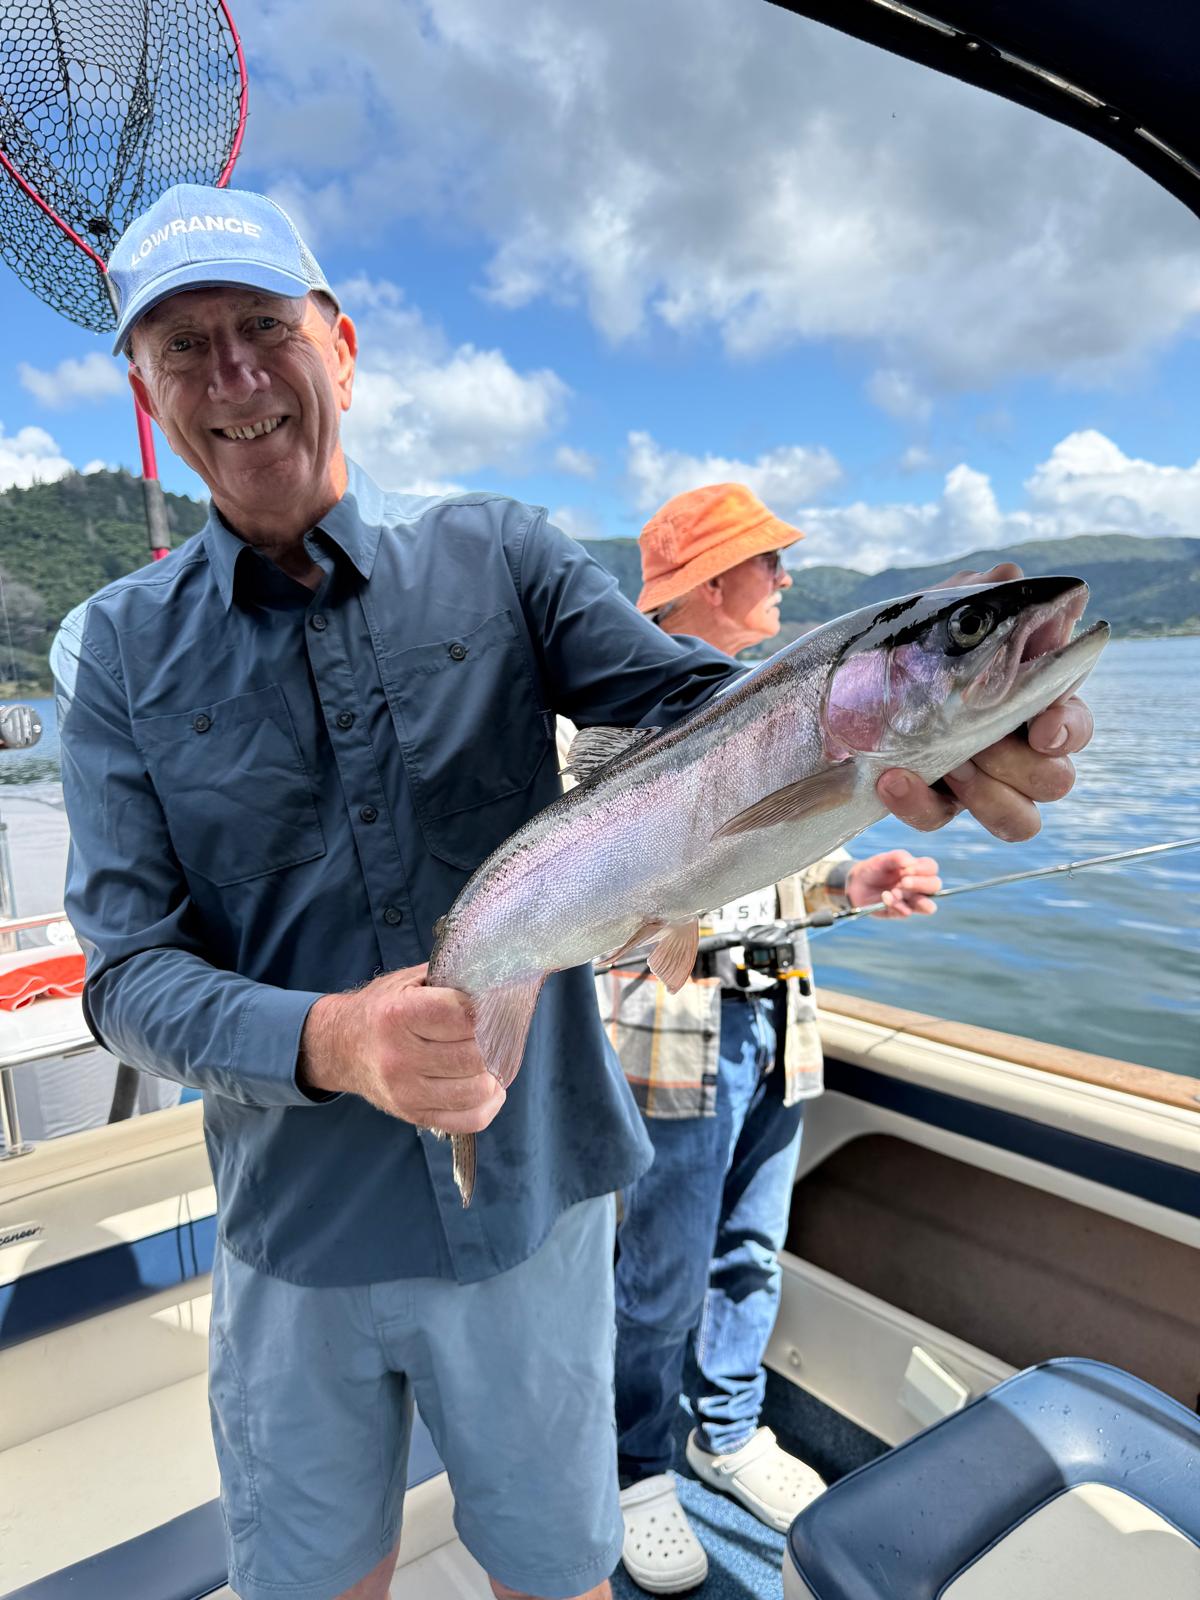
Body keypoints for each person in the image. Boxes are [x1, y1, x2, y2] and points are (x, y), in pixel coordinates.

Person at [49, 184, 1094, 1600]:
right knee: (317, 1580)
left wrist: (952, 732)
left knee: (558, 1571)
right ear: (144, 387)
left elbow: (699, 709)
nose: (232, 376)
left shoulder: (506, 558)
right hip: (296, 1231)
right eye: (183, 349)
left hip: (537, 1209)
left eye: (261, 328)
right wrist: (332, 1040)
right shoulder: (115, 653)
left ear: (341, 347)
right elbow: (125, 976)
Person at [604, 486, 991, 1594]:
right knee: (659, 1268)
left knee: (751, 1247)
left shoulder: (783, 704)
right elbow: (636, 890)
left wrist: (848, 878)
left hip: (777, 1017)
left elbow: (767, 856)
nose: (783, 581)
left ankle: (723, 1432)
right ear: (714, 581)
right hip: (675, 1030)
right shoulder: (619, 710)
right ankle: (635, 1464)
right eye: (767, 563)